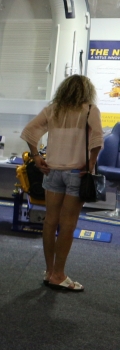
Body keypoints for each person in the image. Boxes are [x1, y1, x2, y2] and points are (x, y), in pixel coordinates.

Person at [21, 74, 102, 292]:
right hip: (77, 173)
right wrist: (91, 163)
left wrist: (36, 156)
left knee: (50, 222)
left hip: (52, 172)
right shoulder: (90, 110)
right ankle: (59, 275)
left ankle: (49, 272)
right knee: (68, 224)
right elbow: (97, 139)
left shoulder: (53, 109)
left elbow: (30, 131)